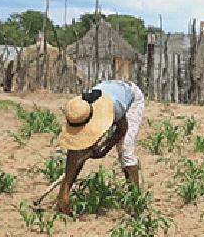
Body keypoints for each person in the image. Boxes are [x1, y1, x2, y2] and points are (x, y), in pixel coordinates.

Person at [54, 80, 145, 215]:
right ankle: (63, 198)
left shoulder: (114, 106)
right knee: (80, 146)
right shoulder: (79, 110)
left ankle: (136, 201)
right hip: (110, 90)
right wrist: (64, 190)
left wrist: (103, 149)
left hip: (130, 97)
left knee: (125, 148)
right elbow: (74, 151)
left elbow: (122, 129)